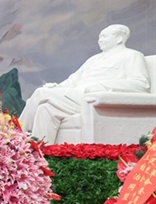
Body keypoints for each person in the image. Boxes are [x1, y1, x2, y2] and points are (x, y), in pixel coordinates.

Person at [20, 24, 150, 143]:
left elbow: (141, 84)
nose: (100, 40)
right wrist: (57, 87)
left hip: (91, 98)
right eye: (99, 37)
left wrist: (104, 86)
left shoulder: (131, 55)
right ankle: (38, 154)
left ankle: (17, 139)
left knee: (41, 93)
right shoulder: (93, 59)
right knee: (45, 109)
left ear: (119, 38)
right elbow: (73, 80)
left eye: (105, 36)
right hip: (74, 96)